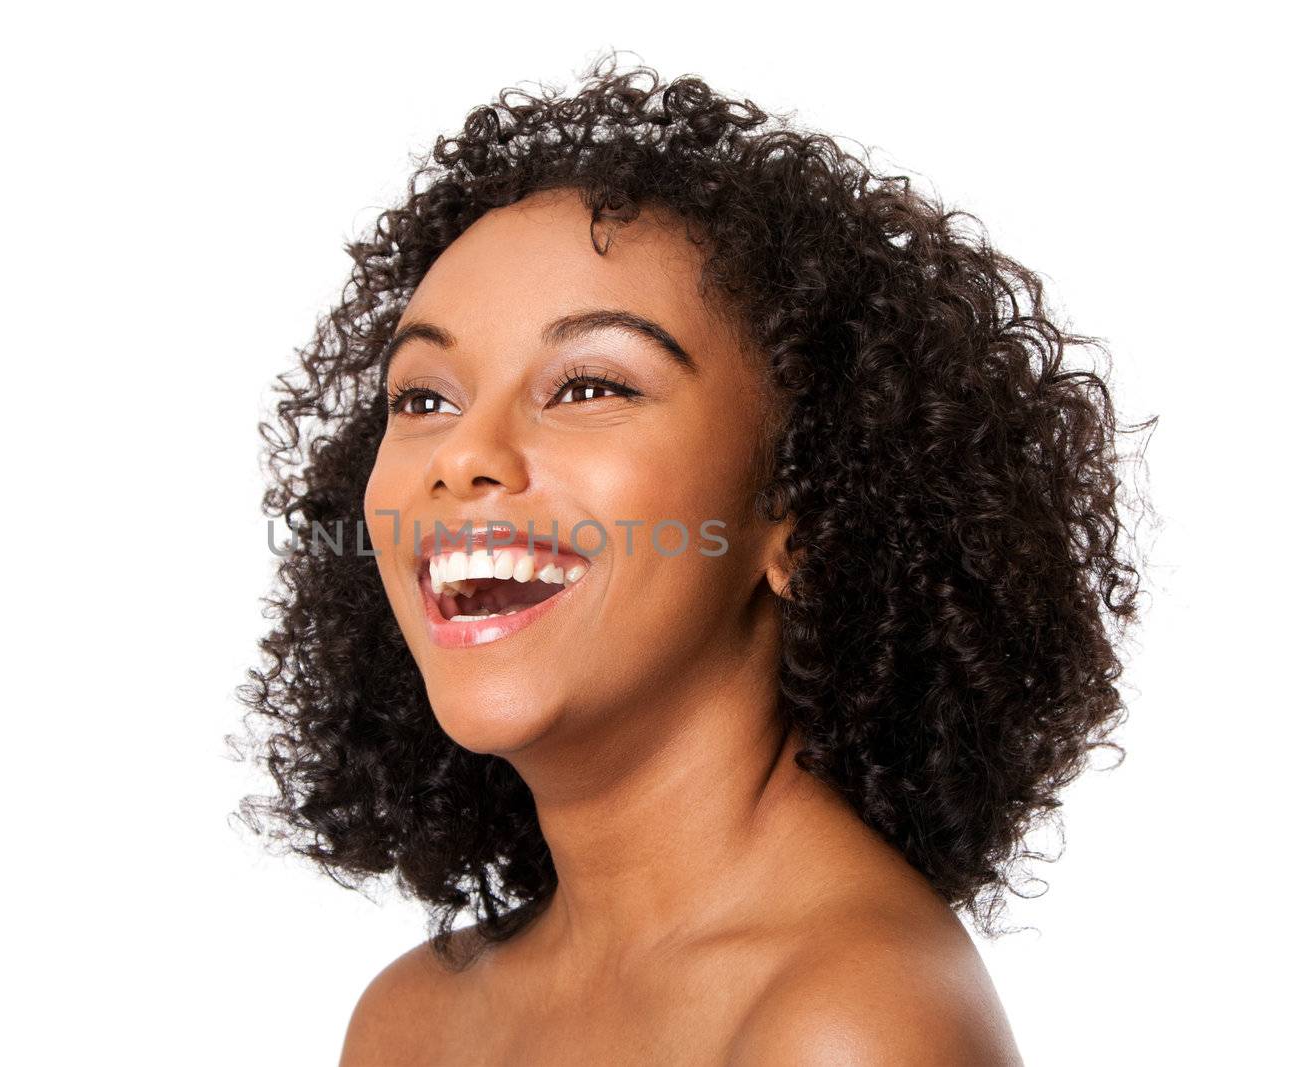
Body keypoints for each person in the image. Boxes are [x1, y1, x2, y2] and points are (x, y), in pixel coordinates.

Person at [234, 52, 1143, 1065]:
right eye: (423, 398)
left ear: (803, 506)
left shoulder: (847, 1023)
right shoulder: (409, 1019)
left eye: (587, 387)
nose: (463, 457)